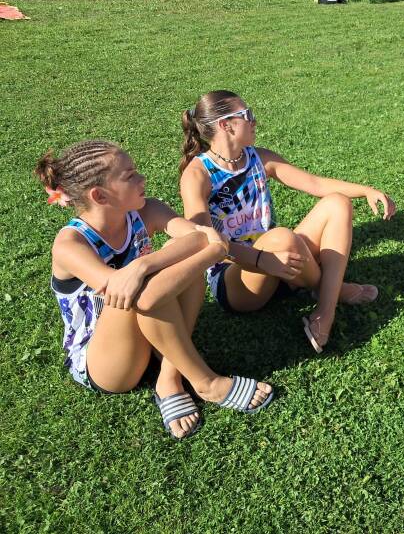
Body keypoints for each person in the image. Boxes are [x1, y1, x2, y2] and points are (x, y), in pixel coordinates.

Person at [36, 140, 275, 440]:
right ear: (99, 195)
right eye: (130, 175)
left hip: (152, 330)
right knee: (148, 284)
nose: (142, 179)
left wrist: (142, 265)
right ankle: (206, 382)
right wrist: (213, 250)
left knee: (170, 264)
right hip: (106, 362)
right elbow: (125, 292)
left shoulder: (148, 210)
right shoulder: (71, 244)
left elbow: (200, 236)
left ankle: (169, 378)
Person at [179, 91, 396, 353]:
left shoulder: (259, 158)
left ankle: (323, 310)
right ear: (226, 125)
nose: (254, 121)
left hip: (281, 260)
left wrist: (365, 190)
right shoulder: (197, 175)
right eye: (247, 115)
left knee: (338, 203)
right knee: (282, 236)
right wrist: (261, 259)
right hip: (237, 280)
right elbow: (205, 242)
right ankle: (330, 295)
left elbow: (315, 184)